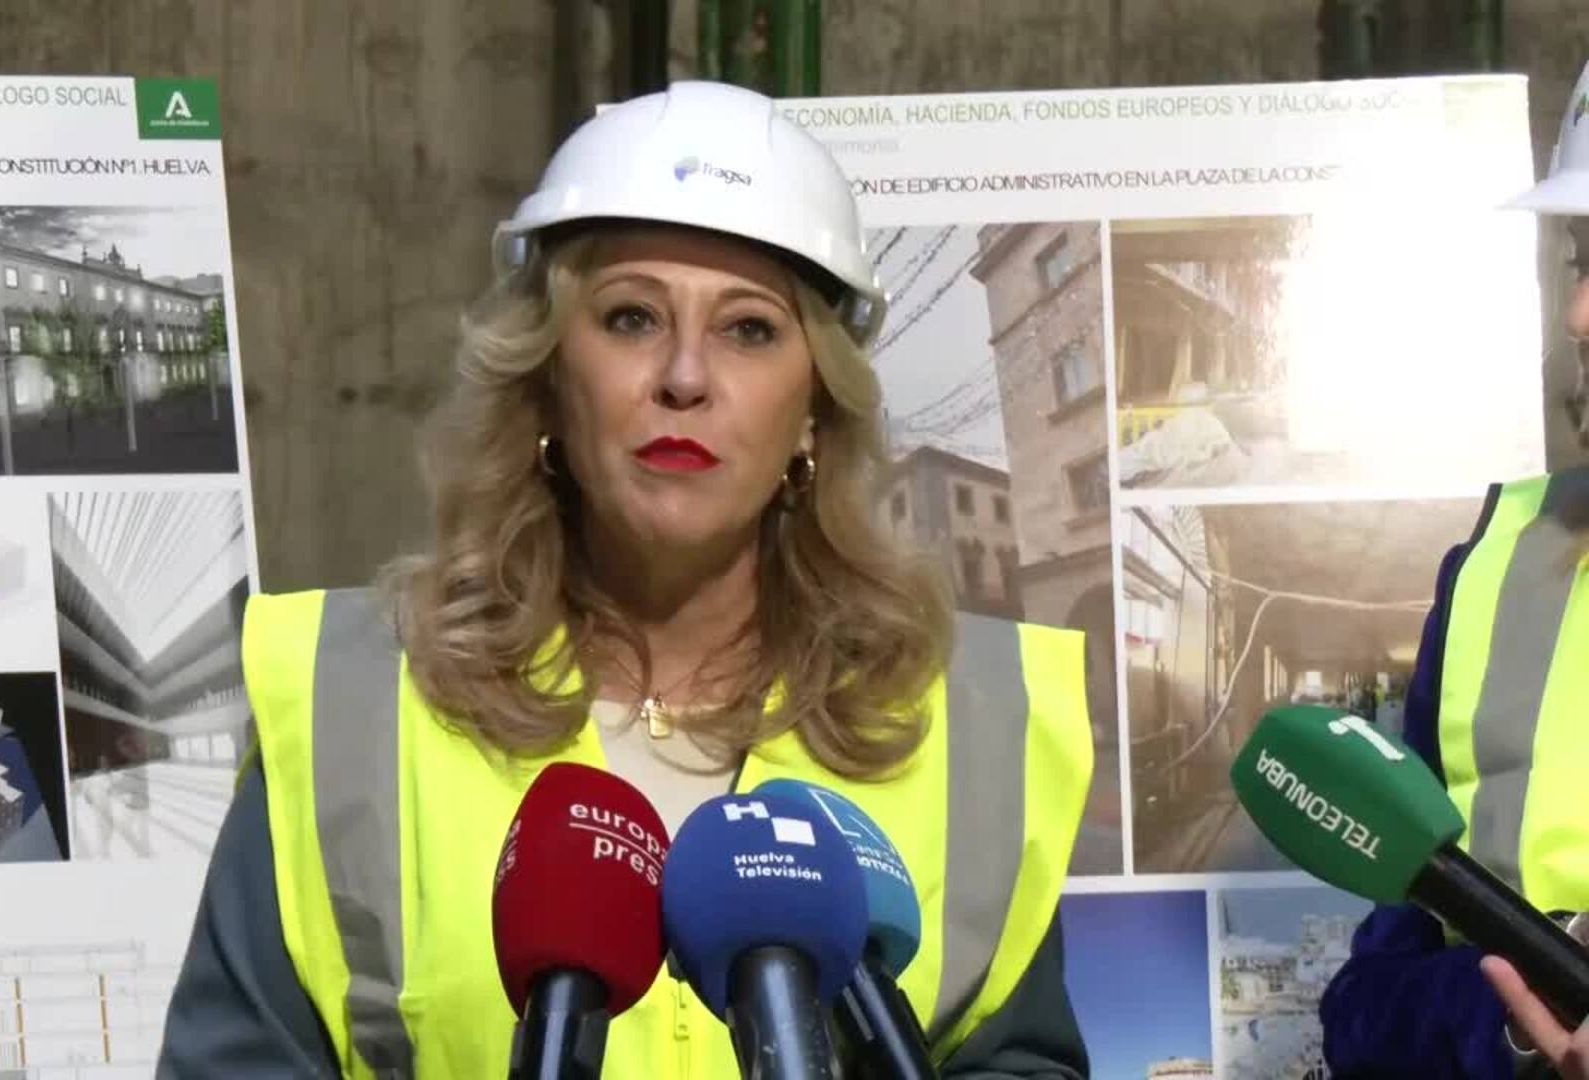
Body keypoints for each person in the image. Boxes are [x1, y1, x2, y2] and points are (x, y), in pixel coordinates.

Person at [155, 80, 1095, 1078]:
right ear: (549, 378)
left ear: (815, 412)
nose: (684, 376)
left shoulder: (967, 728)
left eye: (749, 329)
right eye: (632, 317)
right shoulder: (348, 710)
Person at [1318, 60, 1589, 1080]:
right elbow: (1368, 1016)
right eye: (1581, 261)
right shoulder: (1498, 574)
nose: (1579, 316)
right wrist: (1526, 1011)